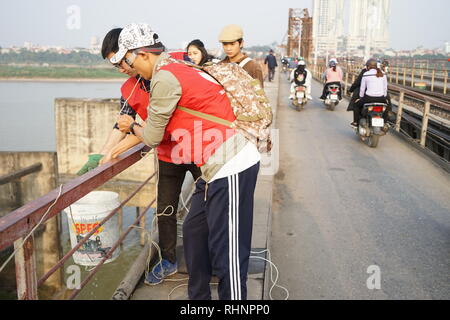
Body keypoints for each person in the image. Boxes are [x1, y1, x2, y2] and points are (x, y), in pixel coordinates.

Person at [111, 23, 261, 300]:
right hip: (213, 168)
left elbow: (153, 136)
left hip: (231, 166)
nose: (127, 69)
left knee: (228, 252)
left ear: (143, 54)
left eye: (126, 62)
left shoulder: (164, 78)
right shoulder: (180, 67)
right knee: (193, 231)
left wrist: (132, 125)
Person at [99, 27, 202, 286]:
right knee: (165, 209)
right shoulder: (130, 87)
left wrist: (119, 147)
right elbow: (122, 124)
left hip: (201, 147)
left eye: (120, 60)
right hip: (168, 152)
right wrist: (105, 155)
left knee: (209, 206)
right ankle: (168, 260)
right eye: (115, 65)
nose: (121, 67)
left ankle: (207, 258)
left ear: (134, 52)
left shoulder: (175, 63)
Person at [353, 58, 389, 125]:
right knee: (386, 106)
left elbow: (362, 89)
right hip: (381, 98)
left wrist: (360, 97)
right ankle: (385, 122)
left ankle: (356, 122)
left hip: (369, 98)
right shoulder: (383, 74)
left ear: (368, 66)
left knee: (356, 105)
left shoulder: (366, 74)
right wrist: (384, 97)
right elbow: (385, 88)